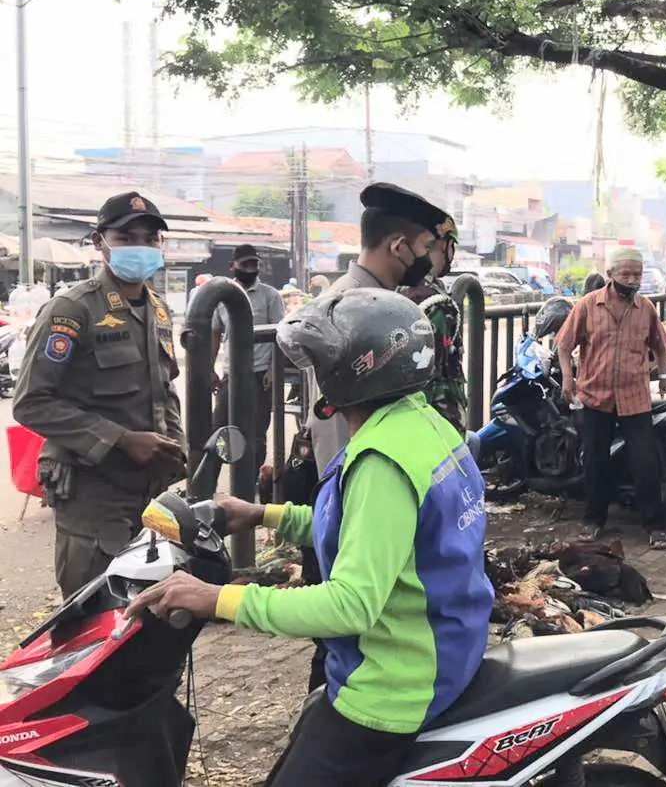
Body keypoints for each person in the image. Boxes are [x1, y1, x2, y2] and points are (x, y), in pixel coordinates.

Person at [124, 289, 492, 787]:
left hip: (395, 683)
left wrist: (219, 599)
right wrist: (262, 514)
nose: (313, 375)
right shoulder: (424, 425)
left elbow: (349, 606)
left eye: (319, 363)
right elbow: (374, 529)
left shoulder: (382, 461)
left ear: (351, 371)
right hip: (448, 646)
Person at [14, 192, 185, 598]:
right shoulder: (72, 310)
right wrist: (120, 439)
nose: (140, 247)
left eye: (150, 238)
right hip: (93, 490)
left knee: (146, 607)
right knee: (93, 608)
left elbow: (165, 388)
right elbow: (31, 402)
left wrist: (179, 451)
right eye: (127, 237)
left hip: (147, 491)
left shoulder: (158, 310)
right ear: (99, 241)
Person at [310, 182, 459, 472]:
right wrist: (346, 491)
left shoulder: (388, 306)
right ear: (399, 246)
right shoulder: (345, 311)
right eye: (427, 247)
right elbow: (332, 424)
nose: (429, 259)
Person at [557, 248, 666, 549]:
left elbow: (660, 346)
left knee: (645, 462)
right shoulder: (588, 305)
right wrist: (568, 378)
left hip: (635, 397)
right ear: (610, 275)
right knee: (595, 461)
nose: (633, 280)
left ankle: (655, 525)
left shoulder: (646, 308)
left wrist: (663, 377)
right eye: (626, 274)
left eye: (637, 274)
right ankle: (593, 520)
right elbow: (564, 345)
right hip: (595, 395)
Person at [198, 244, 286, 499]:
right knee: (217, 431)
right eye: (246, 264)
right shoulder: (222, 297)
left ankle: (253, 493)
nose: (251, 269)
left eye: (255, 264)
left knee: (256, 436)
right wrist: (209, 368)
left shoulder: (270, 296)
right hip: (230, 376)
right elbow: (215, 333)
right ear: (233, 267)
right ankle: (205, 491)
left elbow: (279, 335)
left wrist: (273, 369)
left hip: (260, 377)